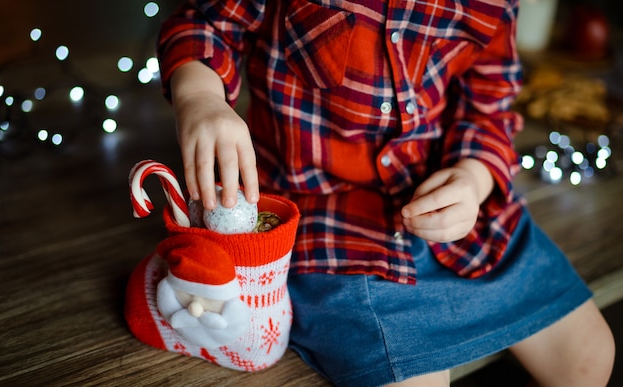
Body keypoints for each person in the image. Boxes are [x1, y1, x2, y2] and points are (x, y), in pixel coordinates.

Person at [156, 1, 615, 386]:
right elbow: (205, 22)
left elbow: (490, 103)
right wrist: (201, 98)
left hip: (455, 208)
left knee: (590, 357)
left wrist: (474, 177)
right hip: (334, 227)